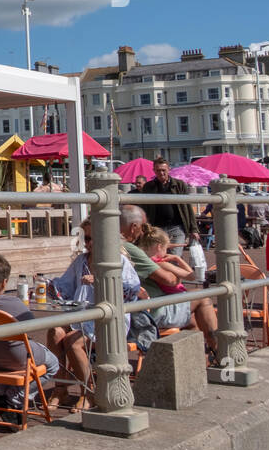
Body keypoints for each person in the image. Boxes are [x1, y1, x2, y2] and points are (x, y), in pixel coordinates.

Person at [47, 218, 144, 408]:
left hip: (109, 319)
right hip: (82, 315)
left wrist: (100, 280)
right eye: (86, 239)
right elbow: (65, 287)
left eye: (92, 239)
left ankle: (88, 392)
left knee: (72, 341)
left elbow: (131, 291)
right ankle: (61, 388)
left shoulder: (117, 261)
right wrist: (47, 285)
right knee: (54, 331)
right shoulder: (82, 260)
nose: (88, 243)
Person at [0, 252, 58, 413]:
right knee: (53, 363)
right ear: (4, 282)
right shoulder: (14, 304)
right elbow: (30, 330)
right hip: (15, 359)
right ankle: (13, 398)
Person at [123, 208, 217, 354]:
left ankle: (192, 363)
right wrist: (175, 263)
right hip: (150, 311)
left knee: (192, 320)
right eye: (141, 227)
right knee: (202, 297)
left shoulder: (120, 247)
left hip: (135, 309)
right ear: (134, 227)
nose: (142, 233)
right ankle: (216, 349)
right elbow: (171, 280)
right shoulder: (132, 250)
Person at [140, 156, 199, 250]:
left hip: (177, 227)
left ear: (169, 169)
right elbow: (143, 208)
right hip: (157, 228)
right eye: (158, 170)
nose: (161, 173)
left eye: (163, 170)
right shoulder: (148, 186)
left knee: (176, 255)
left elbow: (188, 207)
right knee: (160, 257)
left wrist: (194, 229)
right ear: (154, 170)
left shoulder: (179, 185)